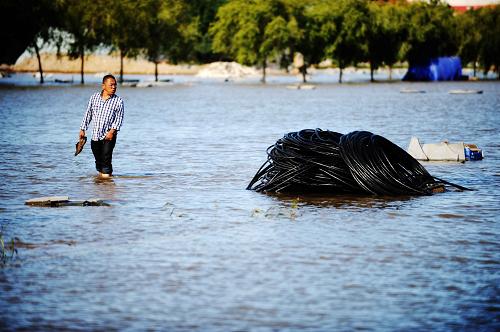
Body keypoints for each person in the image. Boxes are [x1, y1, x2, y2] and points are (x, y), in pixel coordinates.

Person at [79, 74, 124, 178]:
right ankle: (102, 184)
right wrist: (82, 129)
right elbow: (88, 114)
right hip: (95, 136)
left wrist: (112, 132)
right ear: (103, 86)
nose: (114, 87)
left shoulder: (118, 101)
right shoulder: (94, 97)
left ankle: (107, 188)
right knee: (99, 161)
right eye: (111, 85)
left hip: (109, 136)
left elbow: (119, 119)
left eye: (115, 85)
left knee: (106, 159)